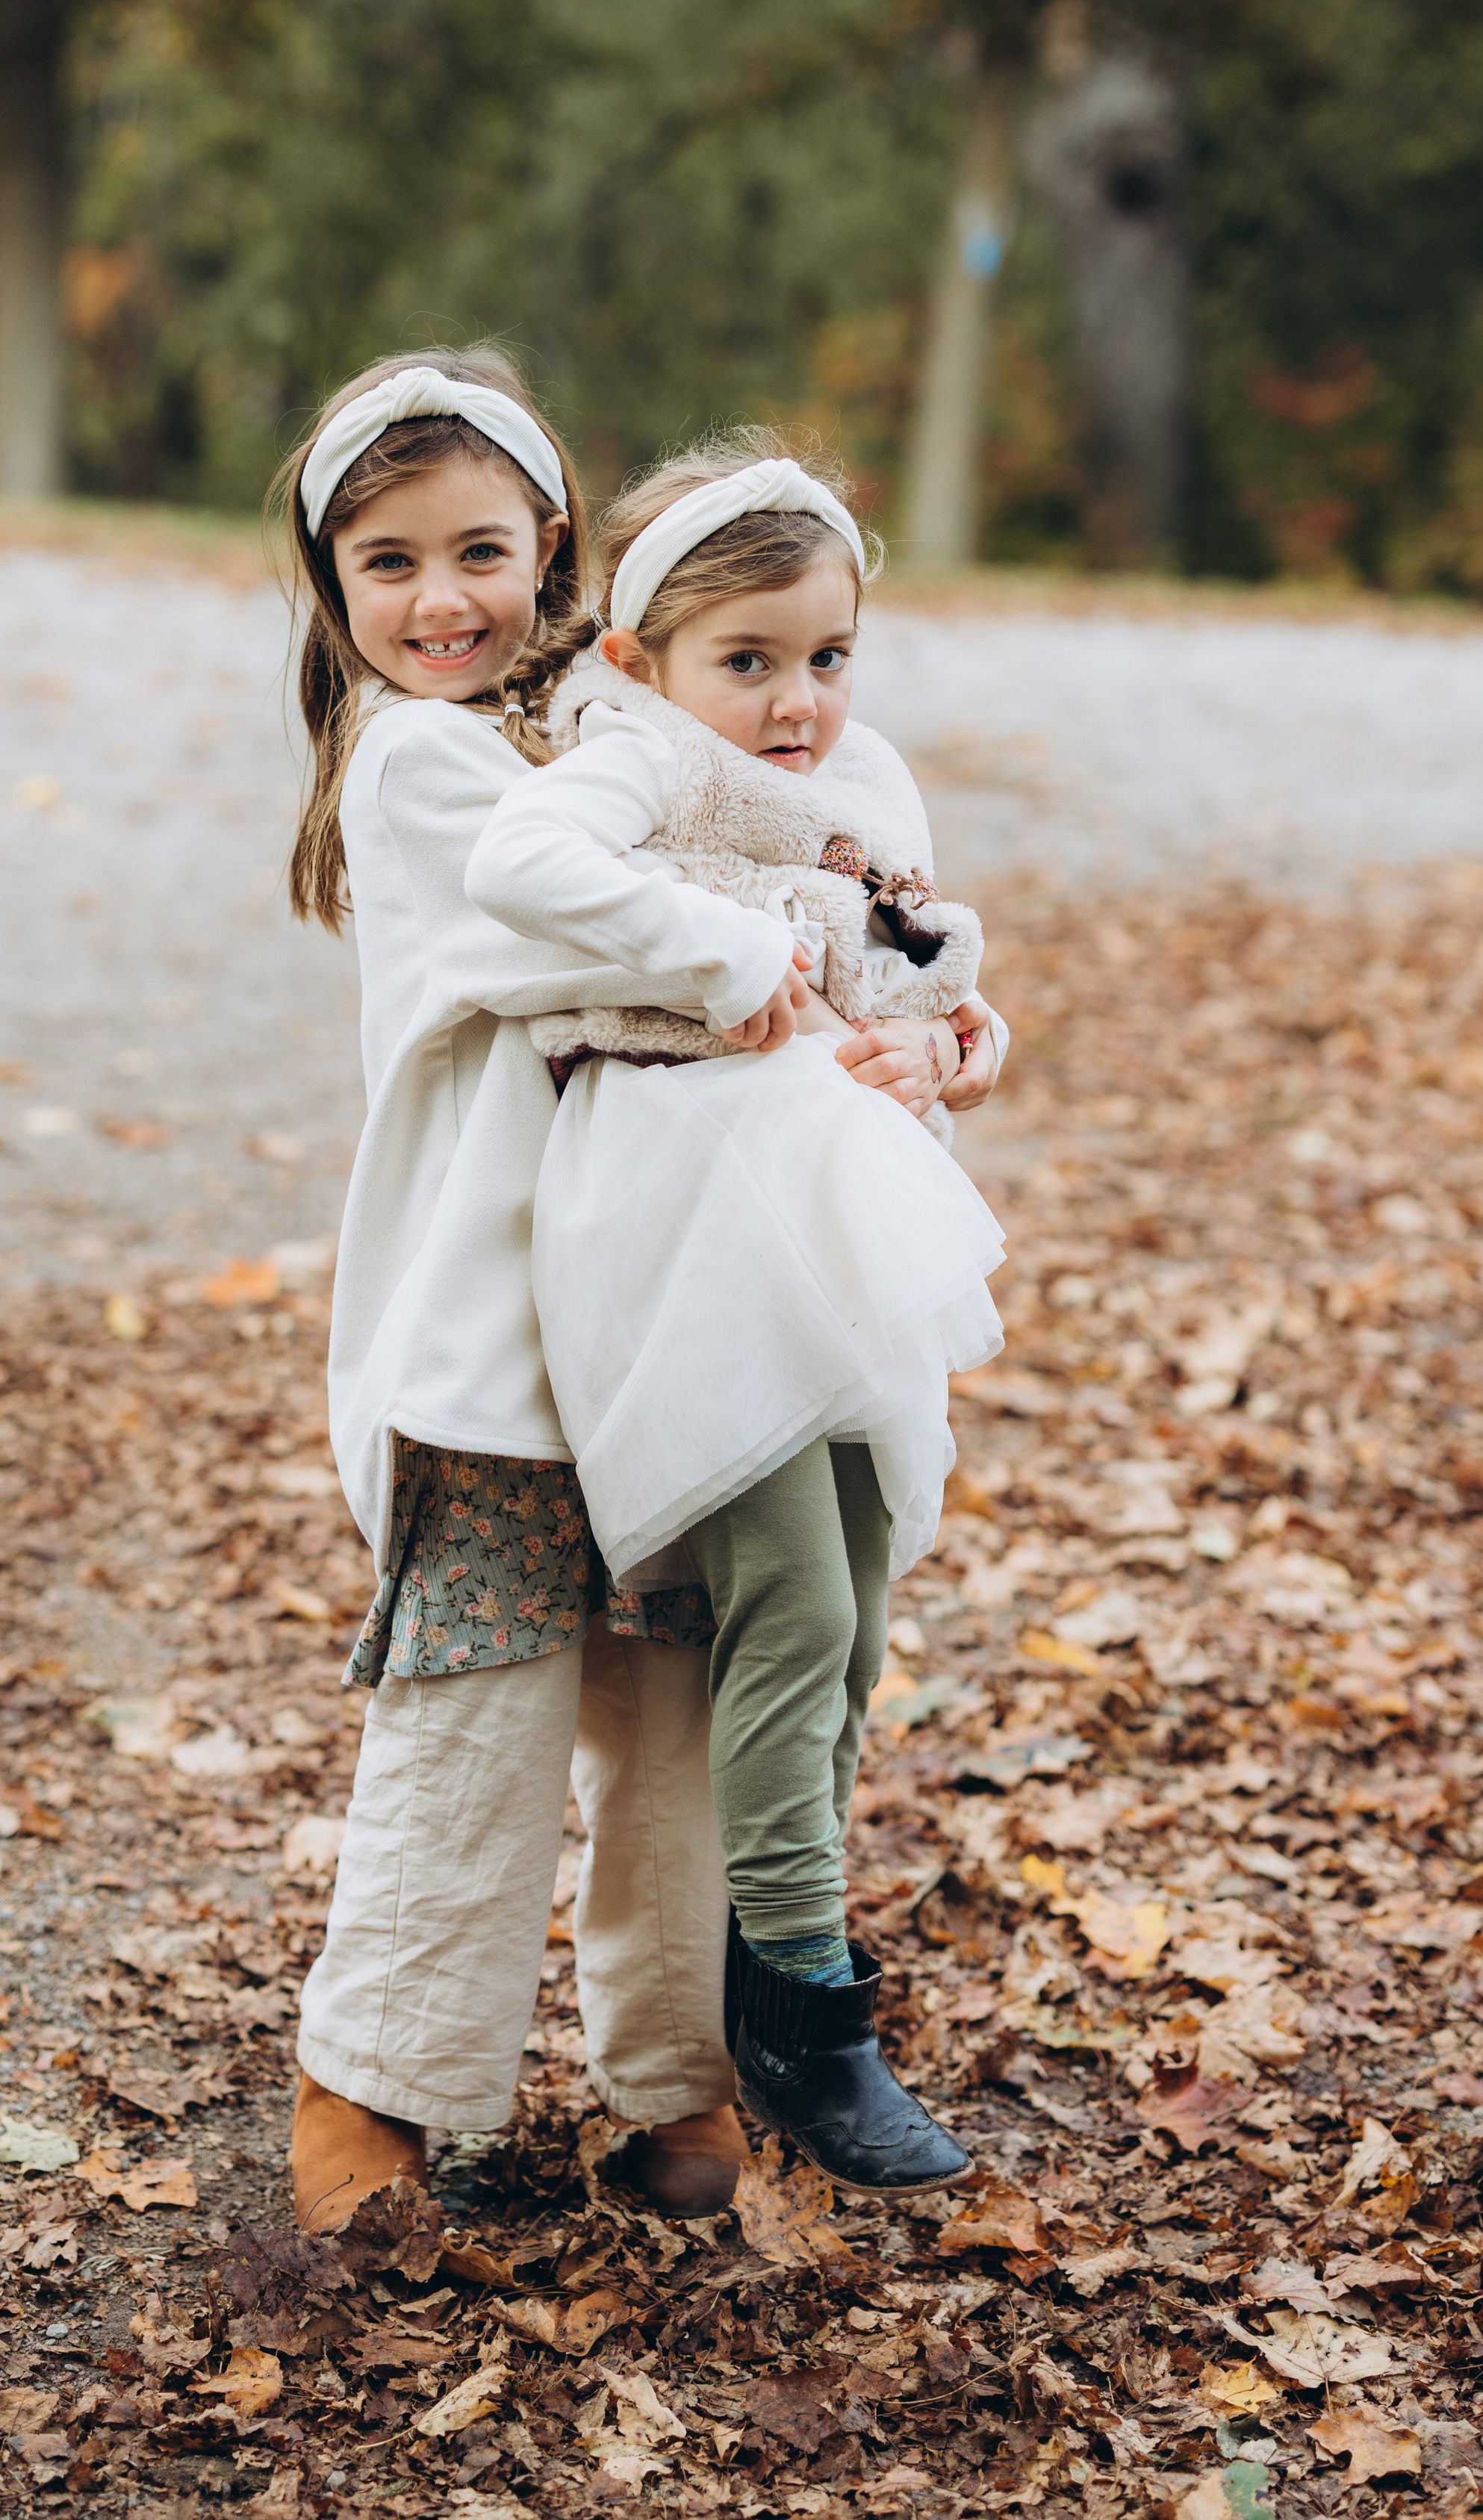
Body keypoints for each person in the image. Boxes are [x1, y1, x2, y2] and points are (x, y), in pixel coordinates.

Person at [280, 351, 827, 2230]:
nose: (441, 600)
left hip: (663, 1321)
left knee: (673, 1713)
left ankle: (679, 2091)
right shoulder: (421, 763)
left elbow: (811, 863)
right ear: (334, 592)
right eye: (388, 562)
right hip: (499, 1342)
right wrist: (763, 956)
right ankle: (370, 2097)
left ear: (558, 549)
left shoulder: (614, 732)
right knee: (481, 1713)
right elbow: (578, 949)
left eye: (481, 551)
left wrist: (916, 995)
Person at [466, 437, 1008, 2191]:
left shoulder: (869, 786)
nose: (793, 705)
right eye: (747, 662)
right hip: (691, 1230)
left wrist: (952, 1043)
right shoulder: (625, 763)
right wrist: (720, 960)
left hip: (841, 1227)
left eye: (825, 657)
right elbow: (522, 869)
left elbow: (923, 978)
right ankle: (799, 2005)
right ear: (642, 660)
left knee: (853, 1618)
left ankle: (766, 1959)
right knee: (786, 1604)